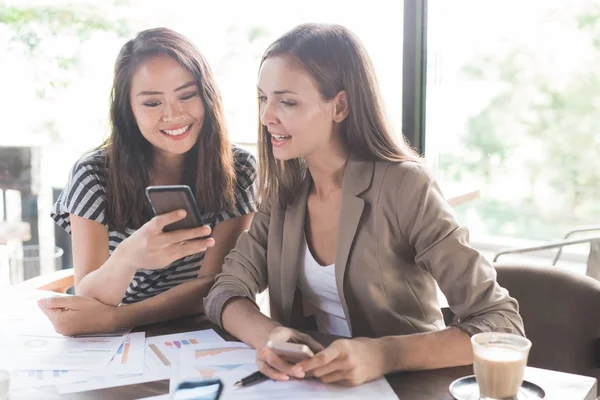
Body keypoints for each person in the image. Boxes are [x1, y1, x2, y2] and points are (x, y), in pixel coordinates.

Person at [204, 23, 524, 387]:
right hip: (312, 386)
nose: (266, 117)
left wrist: (384, 354)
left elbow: (499, 324)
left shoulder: (406, 187)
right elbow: (225, 292)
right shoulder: (284, 192)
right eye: (263, 98)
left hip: (406, 387)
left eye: (287, 102)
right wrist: (271, 336)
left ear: (339, 106)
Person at [38, 28, 258, 335]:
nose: (173, 114)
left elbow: (213, 287)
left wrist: (121, 318)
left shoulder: (239, 169)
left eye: (186, 95)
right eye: (152, 103)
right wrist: (128, 257)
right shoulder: (93, 175)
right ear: (128, 110)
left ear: (207, 95)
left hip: (198, 332)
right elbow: (88, 297)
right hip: (112, 339)